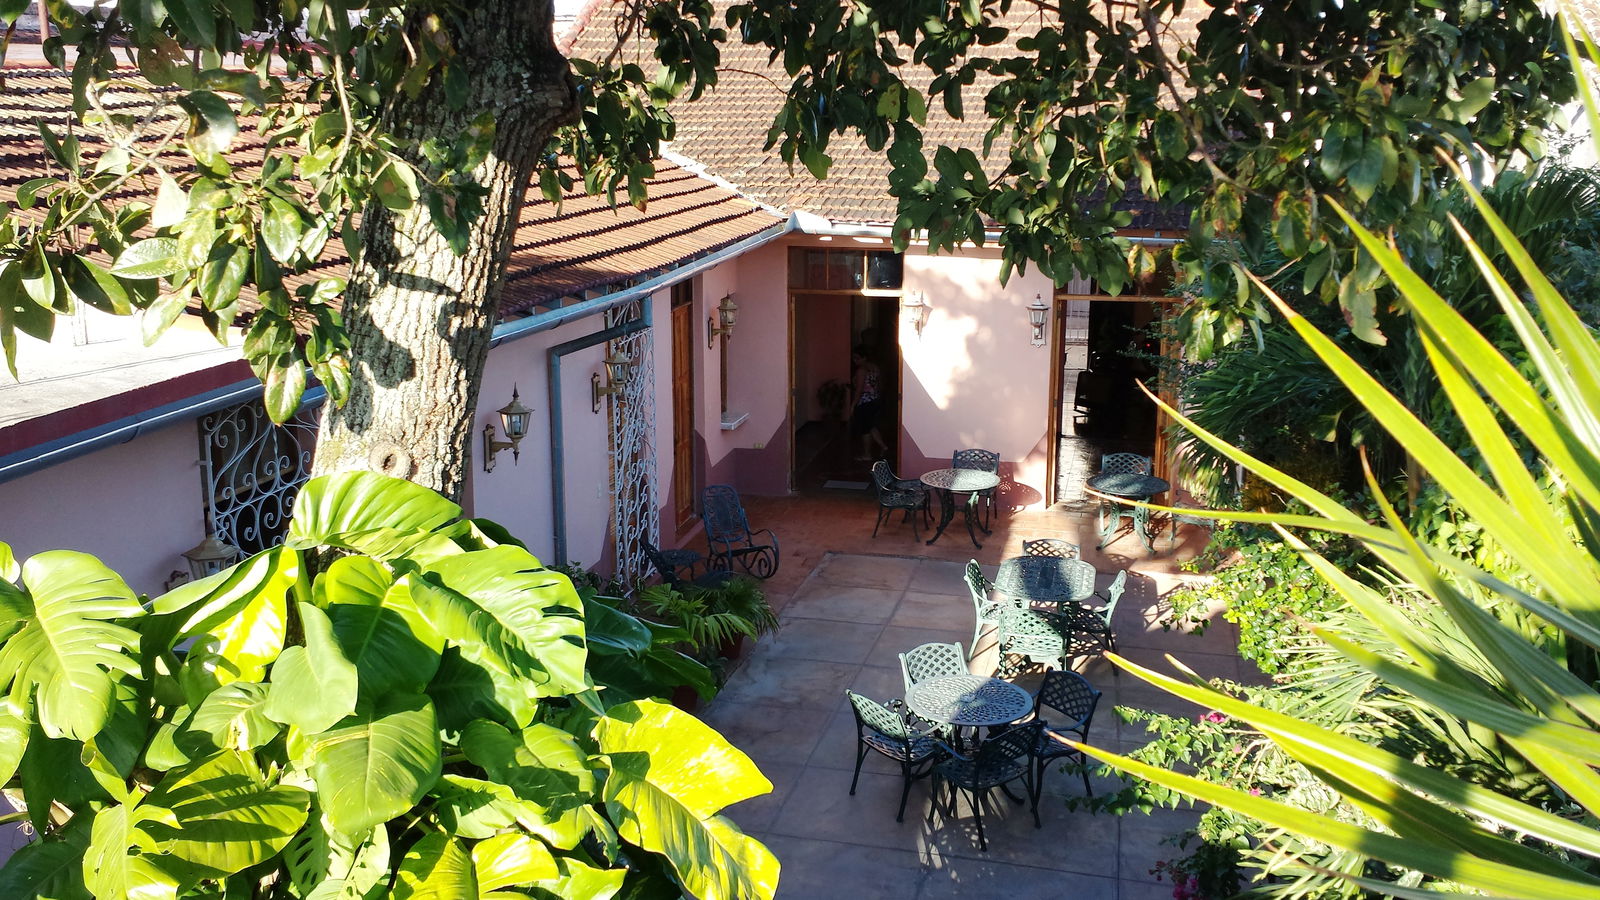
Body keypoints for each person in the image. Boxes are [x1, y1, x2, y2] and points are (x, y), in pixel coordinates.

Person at [850, 345, 889, 461]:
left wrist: (853, 405)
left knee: (865, 429)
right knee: (871, 425)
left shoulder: (861, 370)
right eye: (854, 358)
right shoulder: (875, 368)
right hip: (875, 400)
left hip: (865, 402)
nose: (855, 361)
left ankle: (867, 454)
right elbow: (880, 384)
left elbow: (859, 389)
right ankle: (883, 446)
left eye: (857, 358)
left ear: (864, 358)